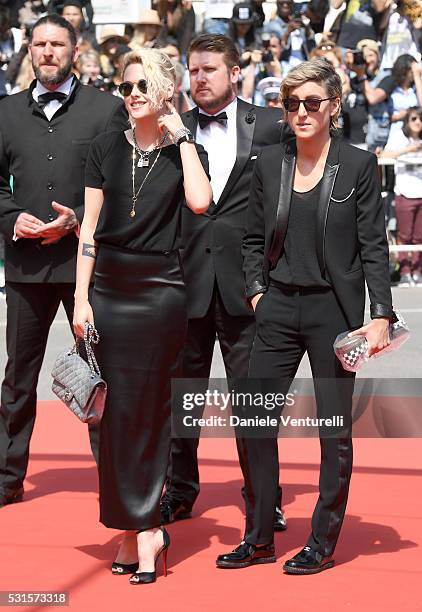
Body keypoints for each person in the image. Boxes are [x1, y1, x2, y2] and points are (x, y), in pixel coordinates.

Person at [216, 57, 393, 573]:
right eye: (291, 104)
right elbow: (252, 238)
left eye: (312, 102)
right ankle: (259, 536)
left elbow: (373, 246)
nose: (301, 112)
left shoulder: (358, 164)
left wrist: (379, 313)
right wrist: (256, 295)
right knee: (254, 420)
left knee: (333, 429)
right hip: (275, 308)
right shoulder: (268, 161)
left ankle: (322, 538)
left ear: (333, 107)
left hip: (333, 313)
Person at [73, 48, 211, 584]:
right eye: (125, 85)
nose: (131, 94)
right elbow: (88, 230)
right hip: (108, 291)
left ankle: (150, 529)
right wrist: (82, 299)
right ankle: (128, 530)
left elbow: (200, 202)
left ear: (164, 94)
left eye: (141, 86)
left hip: (160, 293)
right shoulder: (103, 148)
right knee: (112, 418)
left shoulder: (181, 152)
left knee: (150, 413)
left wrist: (183, 138)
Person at [161, 33, 290, 532]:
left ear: (236, 72)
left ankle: (265, 495)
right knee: (180, 399)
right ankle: (180, 490)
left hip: (249, 285)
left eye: (210, 69)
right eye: (193, 71)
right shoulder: (173, 129)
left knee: (253, 402)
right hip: (182, 281)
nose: (199, 79)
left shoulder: (274, 125)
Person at [0, 13, 127, 508]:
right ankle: (8, 477)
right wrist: (13, 217)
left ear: (75, 50)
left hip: (88, 268)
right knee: (18, 377)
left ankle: (113, 477)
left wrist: (76, 218)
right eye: (40, 44)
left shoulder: (107, 110)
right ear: (29, 51)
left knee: (100, 371)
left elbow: (122, 183)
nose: (48, 51)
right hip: (26, 265)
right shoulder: (5, 113)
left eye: (57, 44)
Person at [381, 106, 422, 286]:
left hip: (421, 193)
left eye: (420, 119)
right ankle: (405, 271)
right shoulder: (399, 137)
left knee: (419, 236)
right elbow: (384, 154)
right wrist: (408, 150)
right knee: (404, 235)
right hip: (404, 193)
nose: (418, 122)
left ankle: (418, 271)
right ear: (407, 121)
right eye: (414, 119)